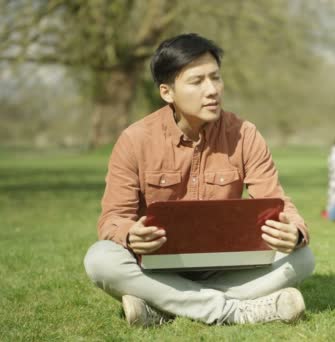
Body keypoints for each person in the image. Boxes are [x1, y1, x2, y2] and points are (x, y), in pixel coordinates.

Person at [83, 33, 315, 327]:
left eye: (215, 78)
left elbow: (279, 203)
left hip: (226, 264)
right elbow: (113, 218)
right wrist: (131, 234)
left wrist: (293, 231)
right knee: (100, 259)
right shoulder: (134, 140)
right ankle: (235, 311)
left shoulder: (245, 134)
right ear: (167, 92)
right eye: (197, 81)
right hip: (157, 267)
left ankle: (164, 308)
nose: (212, 90)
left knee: (303, 258)